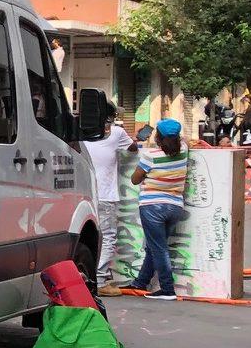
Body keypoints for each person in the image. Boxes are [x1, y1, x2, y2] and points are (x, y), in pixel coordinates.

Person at [125, 119, 191, 300]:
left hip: (152, 206)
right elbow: (185, 141)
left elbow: (135, 179)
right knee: (154, 247)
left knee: (159, 248)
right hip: (175, 206)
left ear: (158, 137)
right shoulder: (184, 150)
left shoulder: (150, 155)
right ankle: (141, 282)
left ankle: (167, 289)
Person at [82, 110, 135, 297]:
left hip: (84, 195)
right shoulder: (117, 134)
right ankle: (101, 279)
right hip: (105, 196)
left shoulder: (81, 135)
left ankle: (88, 277)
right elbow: (133, 149)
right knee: (108, 237)